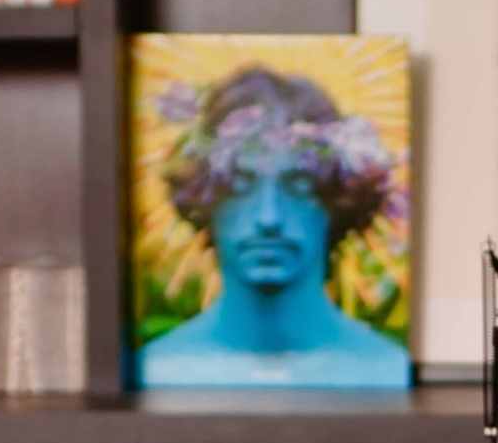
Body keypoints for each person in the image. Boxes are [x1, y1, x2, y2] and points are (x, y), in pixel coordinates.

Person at [137, 66, 412, 389]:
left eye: (299, 185)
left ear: (339, 201)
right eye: (241, 184)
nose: (269, 218)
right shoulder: (157, 370)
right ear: (204, 199)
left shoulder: (384, 371)